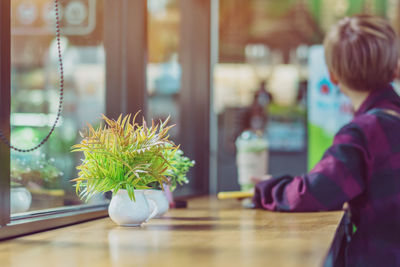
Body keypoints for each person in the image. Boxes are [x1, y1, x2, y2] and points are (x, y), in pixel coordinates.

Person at [252, 15, 400, 267]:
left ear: (333, 76)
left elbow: (313, 193)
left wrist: (267, 188)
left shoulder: (360, 133)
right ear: (395, 68)